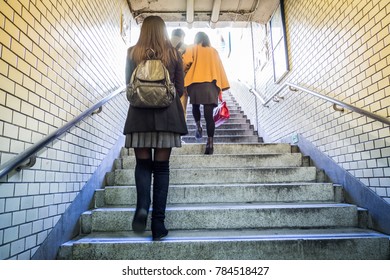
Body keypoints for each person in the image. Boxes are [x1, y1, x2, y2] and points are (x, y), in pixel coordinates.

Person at [123, 16, 188, 241]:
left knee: (143, 165)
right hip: (167, 117)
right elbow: (179, 89)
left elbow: (128, 86)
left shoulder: (133, 52)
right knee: (161, 169)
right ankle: (158, 224)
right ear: (163, 31)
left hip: (139, 117)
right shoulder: (173, 53)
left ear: (143, 30)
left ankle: (142, 207)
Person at [182, 32, 230, 154]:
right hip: (211, 85)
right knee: (209, 117)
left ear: (196, 38)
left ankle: (198, 125)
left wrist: (185, 72)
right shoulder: (214, 51)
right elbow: (220, 68)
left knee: (195, 105)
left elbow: (185, 62)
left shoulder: (192, 47)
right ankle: (210, 143)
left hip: (195, 83)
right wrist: (220, 88)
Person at [170, 29, 189, 122]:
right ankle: (181, 124)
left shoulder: (163, 45)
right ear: (182, 36)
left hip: (165, 82)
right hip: (182, 82)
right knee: (181, 108)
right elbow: (188, 64)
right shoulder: (186, 48)